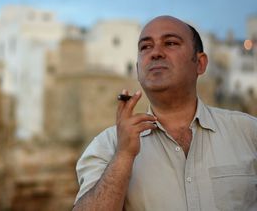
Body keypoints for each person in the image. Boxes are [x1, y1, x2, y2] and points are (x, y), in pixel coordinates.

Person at [73, 15, 257, 211]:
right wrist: (123, 156)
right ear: (137, 69)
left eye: (170, 43)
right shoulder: (107, 146)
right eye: (145, 47)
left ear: (200, 63)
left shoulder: (248, 132)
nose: (155, 53)